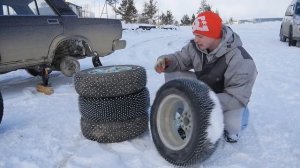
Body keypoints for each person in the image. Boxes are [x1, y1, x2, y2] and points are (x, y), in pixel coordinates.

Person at [154, 11, 257, 143]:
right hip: (203, 90)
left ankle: (242, 117)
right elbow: (180, 60)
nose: (196, 39)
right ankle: (190, 109)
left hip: (225, 100)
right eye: (195, 35)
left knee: (232, 125)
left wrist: (201, 101)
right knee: (172, 73)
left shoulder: (241, 60)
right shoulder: (195, 46)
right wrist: (167, 61)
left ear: (214, 35)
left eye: (200, 36)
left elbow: (236, 98)